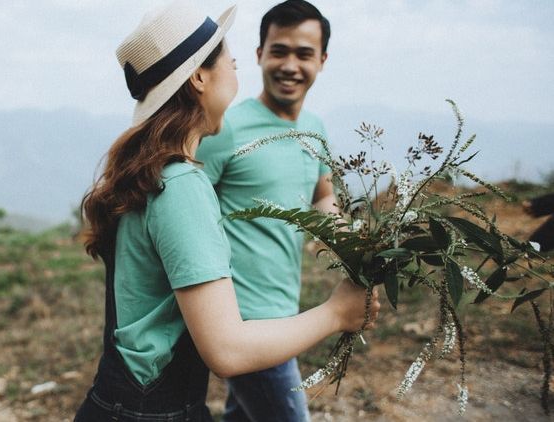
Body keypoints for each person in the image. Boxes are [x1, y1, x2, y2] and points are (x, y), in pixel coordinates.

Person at [75, 2, 378, 421]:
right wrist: (337, 312)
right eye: (230, 60)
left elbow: (322, 196)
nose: (236, 69)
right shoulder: (182, 185)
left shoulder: (159, 171)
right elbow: (228, 350)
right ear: (200, 76)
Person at [195, 1, 336, 420]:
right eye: (279, 51)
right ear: (259, 54)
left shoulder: (315, 128)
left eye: (304, 54)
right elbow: (187, 206)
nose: (290, 65)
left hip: (283, 315)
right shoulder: (226, 129)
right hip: (243, 323)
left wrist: (353, 240)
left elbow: (323, 195)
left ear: (322, 61)